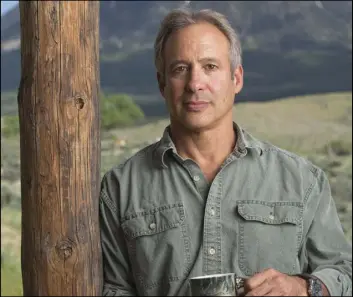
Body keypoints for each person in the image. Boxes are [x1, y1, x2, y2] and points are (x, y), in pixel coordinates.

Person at [99, 8, 352, 296]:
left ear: (237, 78)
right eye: (180, 69)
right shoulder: (120, 189)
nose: (195, 84)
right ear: (162, 84)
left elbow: (344, 272)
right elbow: (114, 289)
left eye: (210, 67)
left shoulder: (303, 181)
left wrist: (304, 288)